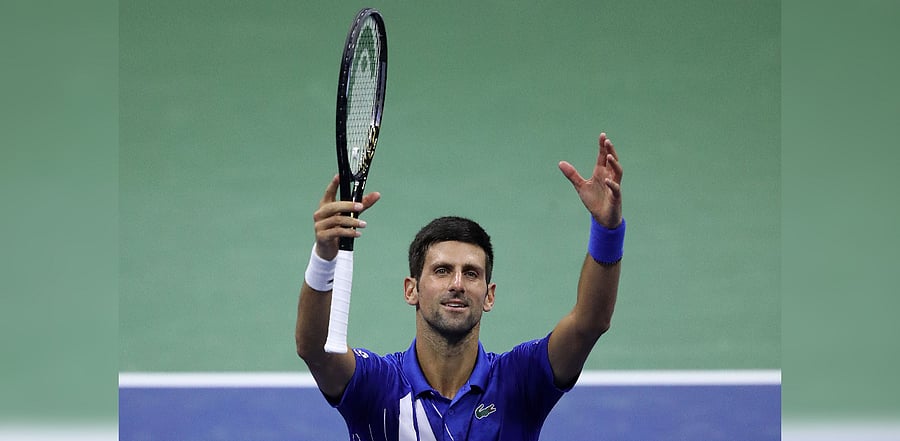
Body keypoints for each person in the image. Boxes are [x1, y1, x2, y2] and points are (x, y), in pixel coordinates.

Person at [295, 132, 625, 440]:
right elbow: (313, 349)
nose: (457, 284)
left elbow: (590, 323)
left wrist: (607, 231)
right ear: (412, 290)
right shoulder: (378, 385)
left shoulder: (518, 381)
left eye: (471, 273)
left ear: (489, 295)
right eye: (441, 271)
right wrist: (325, 256)